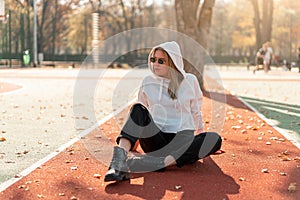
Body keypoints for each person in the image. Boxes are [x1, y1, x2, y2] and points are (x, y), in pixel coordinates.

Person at [104, 41, 222, 182]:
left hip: (181, 141)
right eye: (153, 59)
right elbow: (141, 116)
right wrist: (133, 143)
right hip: (155, 141)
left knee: (214, 139)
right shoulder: (147, 81)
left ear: (173, 63)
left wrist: (201, 144)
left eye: (161, 61)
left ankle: (159, 163)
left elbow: (196, 112)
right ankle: (118, 163)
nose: (155, 64)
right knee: (137, 107)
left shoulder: (190, 81)